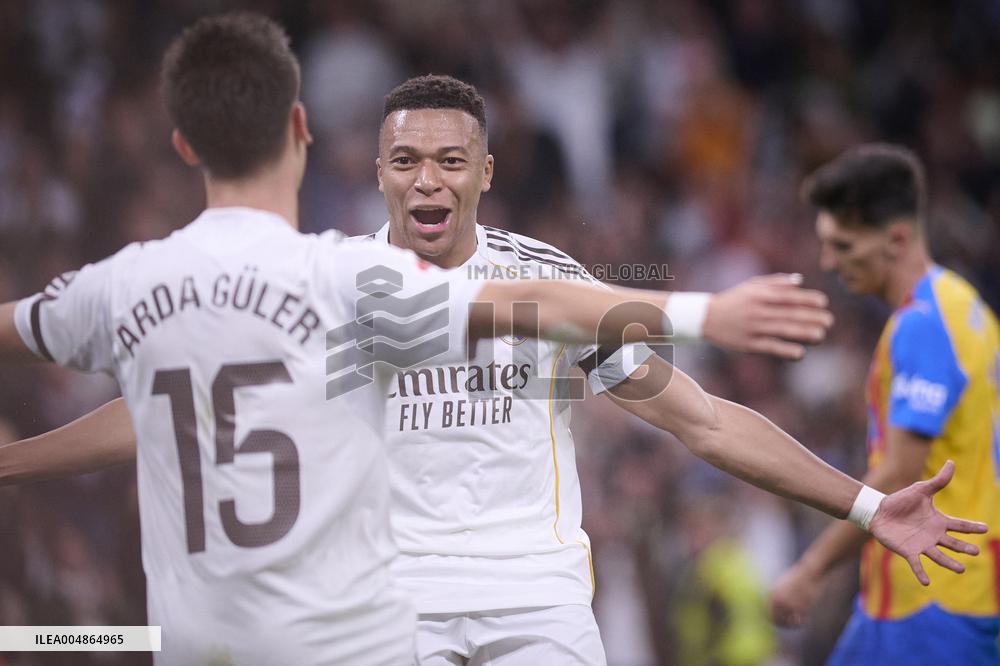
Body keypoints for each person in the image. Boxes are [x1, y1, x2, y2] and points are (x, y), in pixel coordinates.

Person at [0, 68, 988, 665]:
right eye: (405, 161)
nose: (427, 177)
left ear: (484, 173)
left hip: (536, 602)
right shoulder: (329, 286)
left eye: (448, 159)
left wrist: (864, 506)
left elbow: (702, 420)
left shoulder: (547, 281)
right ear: (379, 174)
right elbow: (179, 412)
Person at [769, 144, 1000, 664]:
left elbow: (899, 471)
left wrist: (811, 568)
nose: (829, 262)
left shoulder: (922, 325)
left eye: (844, 246)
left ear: (896, 239)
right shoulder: (967, 306)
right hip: (913, 593)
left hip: (932, 595)